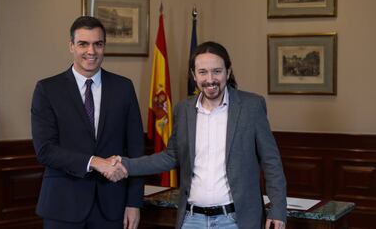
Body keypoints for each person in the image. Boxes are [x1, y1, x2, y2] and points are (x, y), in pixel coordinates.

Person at [112, 41, 287, 229]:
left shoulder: (251, 106)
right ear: (194, 75)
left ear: (228, 72)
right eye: (203, 72)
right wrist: (124, 163)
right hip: (192, 219)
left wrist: (278, 210)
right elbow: (171, 156)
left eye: (217, 71)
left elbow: (271, 161)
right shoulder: (183, 110)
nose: (210, 79)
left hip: (235, 221)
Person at [31, 16, 144, 229]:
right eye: (83, 44)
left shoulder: (124, 88)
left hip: (113, 207)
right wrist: (95, 162)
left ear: (104, 47)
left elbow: (136, 150)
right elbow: (45, 150)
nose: (91, 52)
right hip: (62, 205)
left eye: (98, 44)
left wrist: (134, 202)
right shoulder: (47, 90)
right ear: (71, 46)